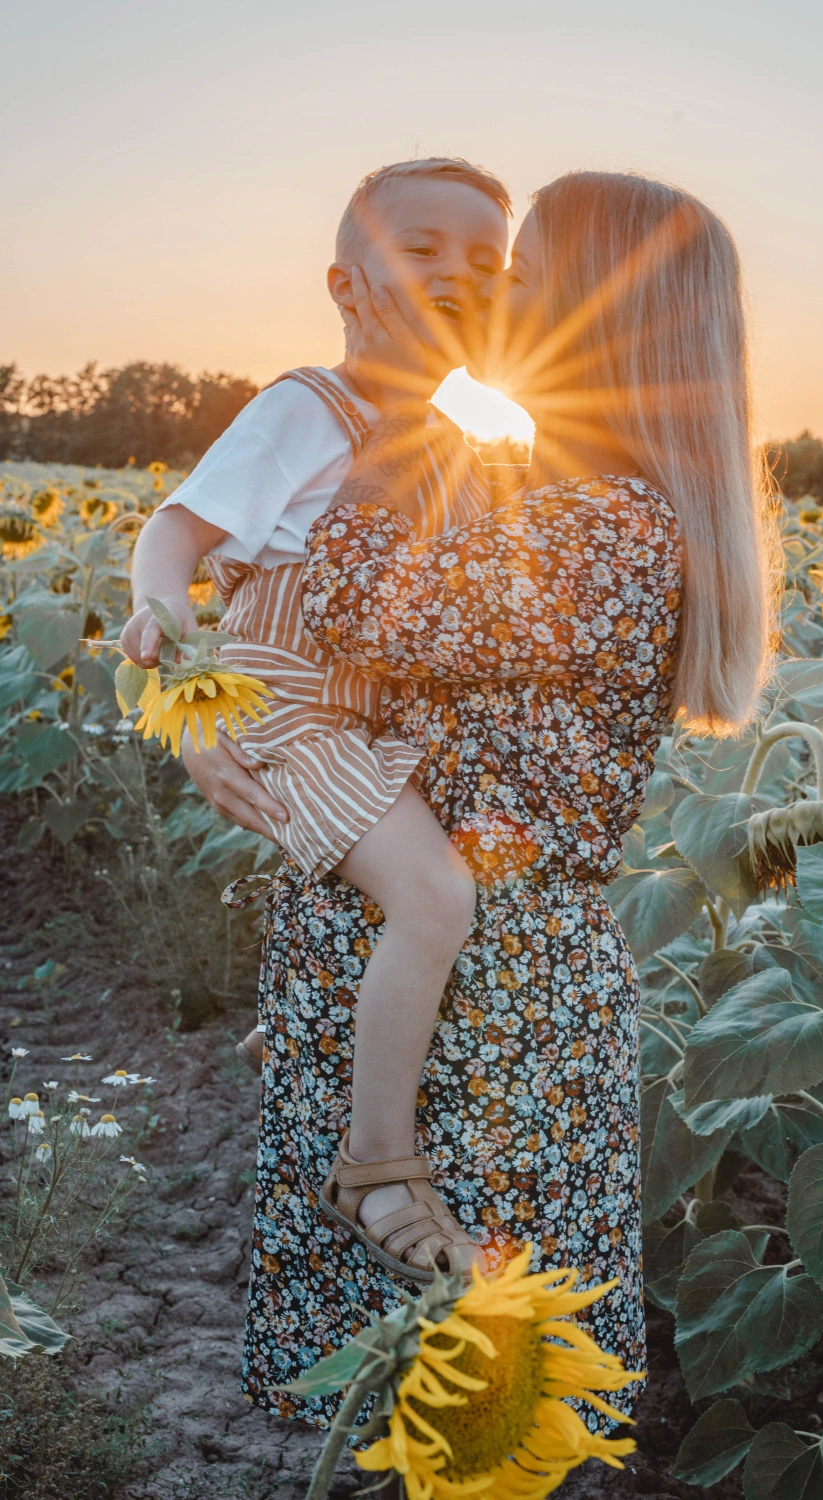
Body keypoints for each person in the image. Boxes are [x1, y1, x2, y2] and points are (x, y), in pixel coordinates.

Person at [186, 169, 771, 1434]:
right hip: (434, 963)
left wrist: (373, 407)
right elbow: (337, 675)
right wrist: (213, 722)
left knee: (469, 1401)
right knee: (394, 1408)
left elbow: (344, 593)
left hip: (488, 1006)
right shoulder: (534, 487)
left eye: (517, 275)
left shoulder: (602, 525)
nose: (483, 292)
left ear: (594, 317)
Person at [123, 158, 512, 1285]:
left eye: (486, 261)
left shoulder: (460, 432)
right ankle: (377, 1166)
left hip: (371, 703)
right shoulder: (310, 406)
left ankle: (313, 1027)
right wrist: (169, 647)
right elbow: (175, 533)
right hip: (287, 702)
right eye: (423, 249)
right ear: (346, 288)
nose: (458, 273)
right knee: (436, 894)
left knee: (479, 844)